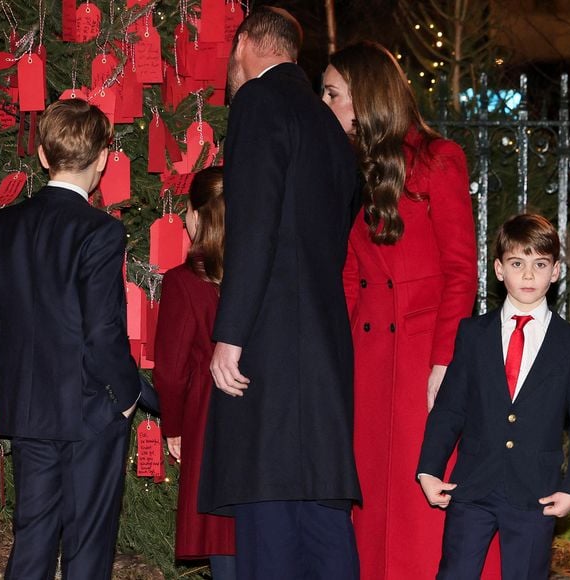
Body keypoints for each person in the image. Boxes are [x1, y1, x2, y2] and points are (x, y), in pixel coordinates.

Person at [322, 41, 501, 579]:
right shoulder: (352, 167)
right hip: (369, 358)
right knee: (371, 501)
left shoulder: (439, 159)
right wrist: (340, 361)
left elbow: (460, 271)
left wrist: (445, 363)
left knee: (424, 504)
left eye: (333, 93)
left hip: (424, 359)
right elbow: (348, 276)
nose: (325, 104)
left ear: (367, 95)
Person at [198, 6, 361, 580]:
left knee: (268, 509)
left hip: (269, 345)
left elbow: (255, 225)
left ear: (244, 43)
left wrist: (231, 334)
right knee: (319, 512)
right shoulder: (330, 127)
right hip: (323, 345)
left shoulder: (259, 103)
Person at [0, 99, 142, 579]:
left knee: (32, 540)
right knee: (87, 548)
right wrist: (127, 395)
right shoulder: (100, 231)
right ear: (102, 158)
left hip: (30, 409)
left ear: (41, 156)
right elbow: (102, 330)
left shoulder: (3, 226)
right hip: (89, 409)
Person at [418, 213, 570, 579]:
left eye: (540, 264)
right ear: (500, 270)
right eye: (518, 263)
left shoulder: (568, 343)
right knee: (455, 572)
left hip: (536, 493)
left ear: (555, 271)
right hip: (472, 485)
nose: (529, 275)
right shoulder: (473, 334)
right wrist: (428, 469)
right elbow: (450, 408)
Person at [153, 167, 236, 580]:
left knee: (221, 536)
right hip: (259, 416)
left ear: (197, 215)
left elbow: (170, 371)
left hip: (207, 416)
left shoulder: (184, 282)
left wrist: (174, 426)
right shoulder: (260, 275)